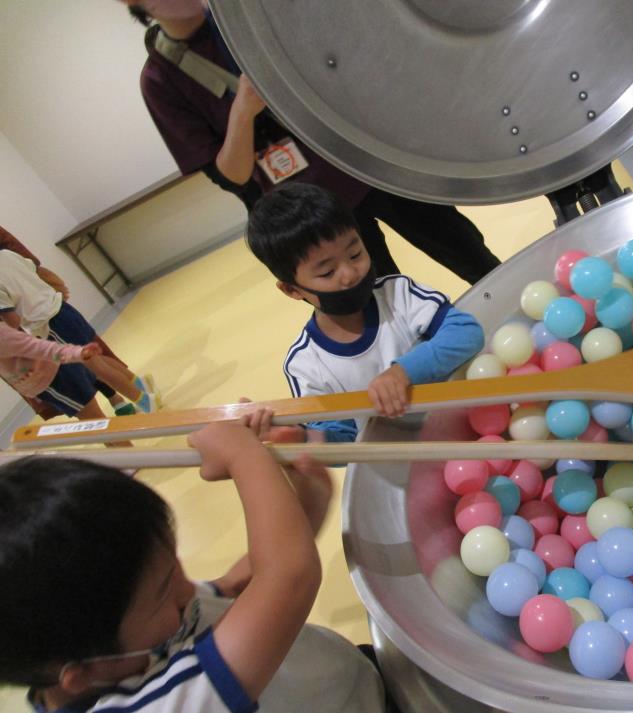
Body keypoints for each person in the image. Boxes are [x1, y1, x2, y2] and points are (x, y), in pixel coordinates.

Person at [0, 420, 392, 712]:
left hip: (356, 681)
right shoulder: (158, 706)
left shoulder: (131, 630)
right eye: (165, 594)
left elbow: (246, 582)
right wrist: (245, 457)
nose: (189, 591)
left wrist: (304, 502)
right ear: (81, 675)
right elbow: (288, 579)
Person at [122, 0, 501, 285]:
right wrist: (243, 112)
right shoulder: (161, 79)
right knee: (378, 302)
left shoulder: (250, 18)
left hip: (368, 160)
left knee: (468, 252)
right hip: (314, 208)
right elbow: (231, 177)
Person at [245, 183, 485, 443]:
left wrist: (403, 372)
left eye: (355, 253)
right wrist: (297, 437)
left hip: (472, 423)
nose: (350, 273)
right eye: (327, 272)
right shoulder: (307, 366)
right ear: (292, 290)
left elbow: (467, 333)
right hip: (408, 462)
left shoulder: (398, 294)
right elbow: (343, 440)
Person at [0, 225, 147, 418]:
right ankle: (139, 392)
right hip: (57, 310)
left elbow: (12, 320)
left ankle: (143, 398)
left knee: (90, 363)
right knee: (92, 360)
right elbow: (29, 267)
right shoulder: (8, 256)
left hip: (46, 323)